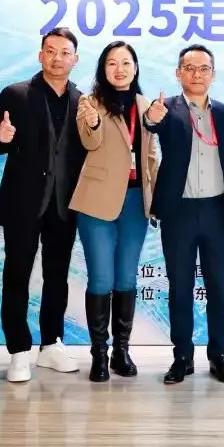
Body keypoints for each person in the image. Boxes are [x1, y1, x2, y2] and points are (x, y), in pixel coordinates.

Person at [0, 28, 85, 383]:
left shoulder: (82, 101)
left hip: (64, 205)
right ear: (40, 55)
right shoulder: (15, 94)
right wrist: (0, 137)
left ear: (75, 59)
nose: (57, 58)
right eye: (50, 51)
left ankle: (51, 344)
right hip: (22, 203)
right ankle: (18, 350)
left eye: (65, 52)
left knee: (57, 277)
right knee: (17, 274)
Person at [143, 44, 224, 385]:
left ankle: (219, 355)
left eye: (203, 68)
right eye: (189, 68)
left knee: (220, 289)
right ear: (178, 73)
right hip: (179, 212)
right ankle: (182, 357)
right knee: (180, 288)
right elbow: (150, 124)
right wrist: (151, 117)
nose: (196, 74)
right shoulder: (166, 110)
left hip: (217, 211)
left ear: (213, 74)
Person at [69, 40, 158, 383]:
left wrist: (155, 199)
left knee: (126, 278)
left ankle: (121, 350)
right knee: (101, 278)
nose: (119, 69)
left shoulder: (147, 106)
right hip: (97, 202)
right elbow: (89, 142)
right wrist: (93, 124)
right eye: (111, 63)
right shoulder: (90, 102)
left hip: (135, 203)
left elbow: (151, 156)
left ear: (135, 68)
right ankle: (99, 354)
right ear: (102, 69)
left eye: (125, 62)